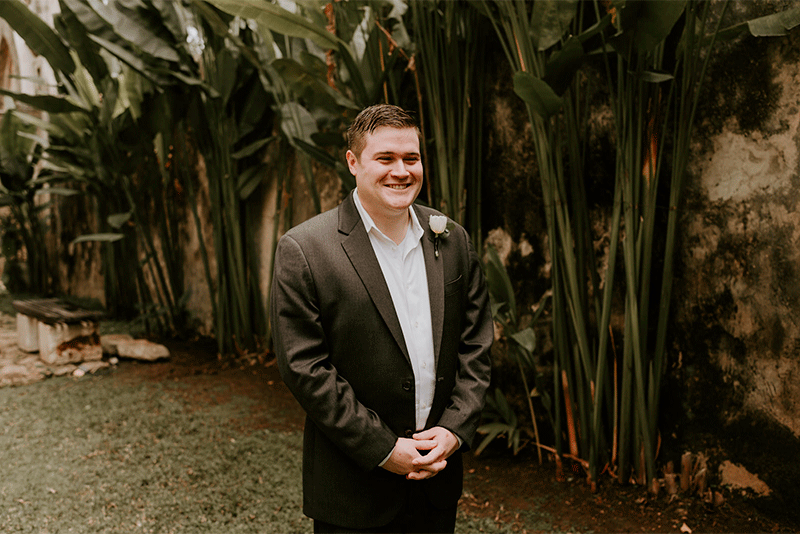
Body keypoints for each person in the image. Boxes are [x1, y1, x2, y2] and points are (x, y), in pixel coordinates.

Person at [270, 104, 493, 533]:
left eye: (411, 158)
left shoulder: (452, 239)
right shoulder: (305, 249)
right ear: (353, 162)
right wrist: (384, 448)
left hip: (437, 479)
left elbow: (476, 341)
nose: (402, 171)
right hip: (354, 488)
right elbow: (305, 368)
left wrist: (454, 429)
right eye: (385, 158)